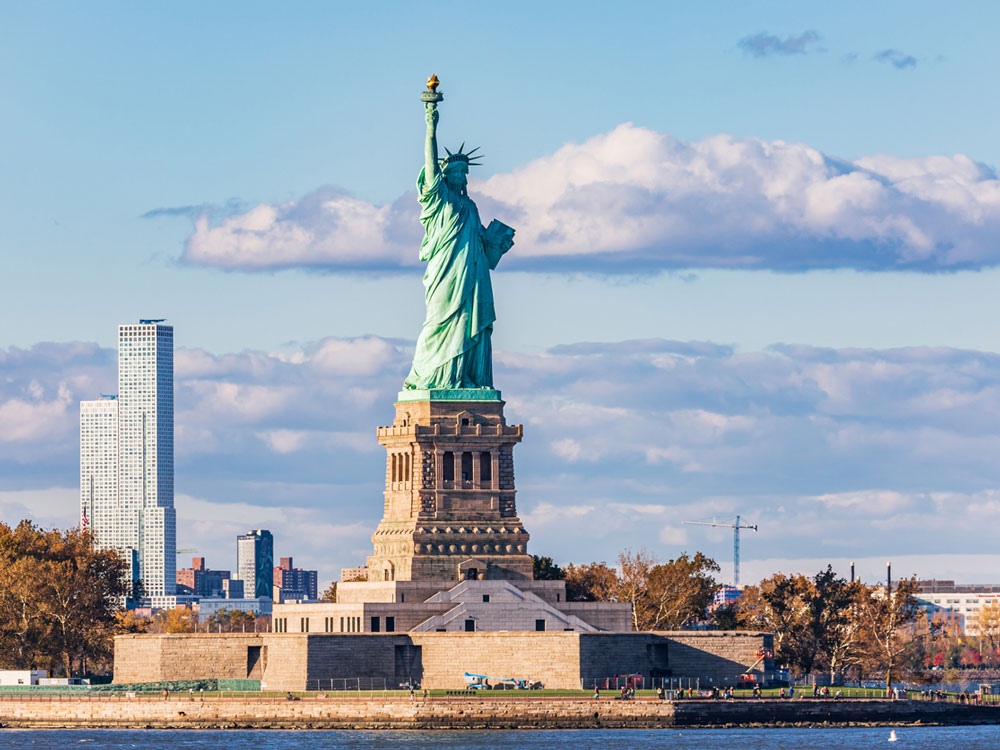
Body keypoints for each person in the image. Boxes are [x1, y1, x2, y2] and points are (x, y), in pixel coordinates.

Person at [403, 97, 515, 392]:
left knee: (469, 322)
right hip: (446, 272)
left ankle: (465, 377)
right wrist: (431, 126)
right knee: (439, 321)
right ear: (444, 176)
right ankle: (431, 376)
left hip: (474, 273)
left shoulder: (470, 205)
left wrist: (497, 245)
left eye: (463, 172)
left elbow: (485, 252)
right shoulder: (439, 200)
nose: (460, 175)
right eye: (454, 172)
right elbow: (430, 165)